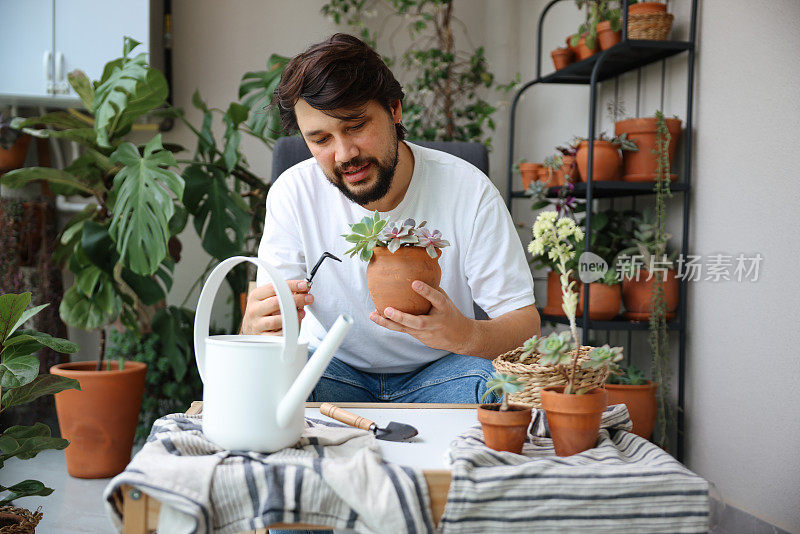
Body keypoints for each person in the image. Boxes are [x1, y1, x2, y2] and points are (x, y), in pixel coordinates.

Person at [242, 33, 539, 404]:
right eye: (321, 140)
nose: (344, 154)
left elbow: (525, 326)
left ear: (394, 110)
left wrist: (464, 335)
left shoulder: (469, 190)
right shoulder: (293, 193)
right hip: (331, 370)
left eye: (355, 126)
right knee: (267, 387)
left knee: (501, 387)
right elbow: (270, 328)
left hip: (445, 374)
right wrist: (256, 327)